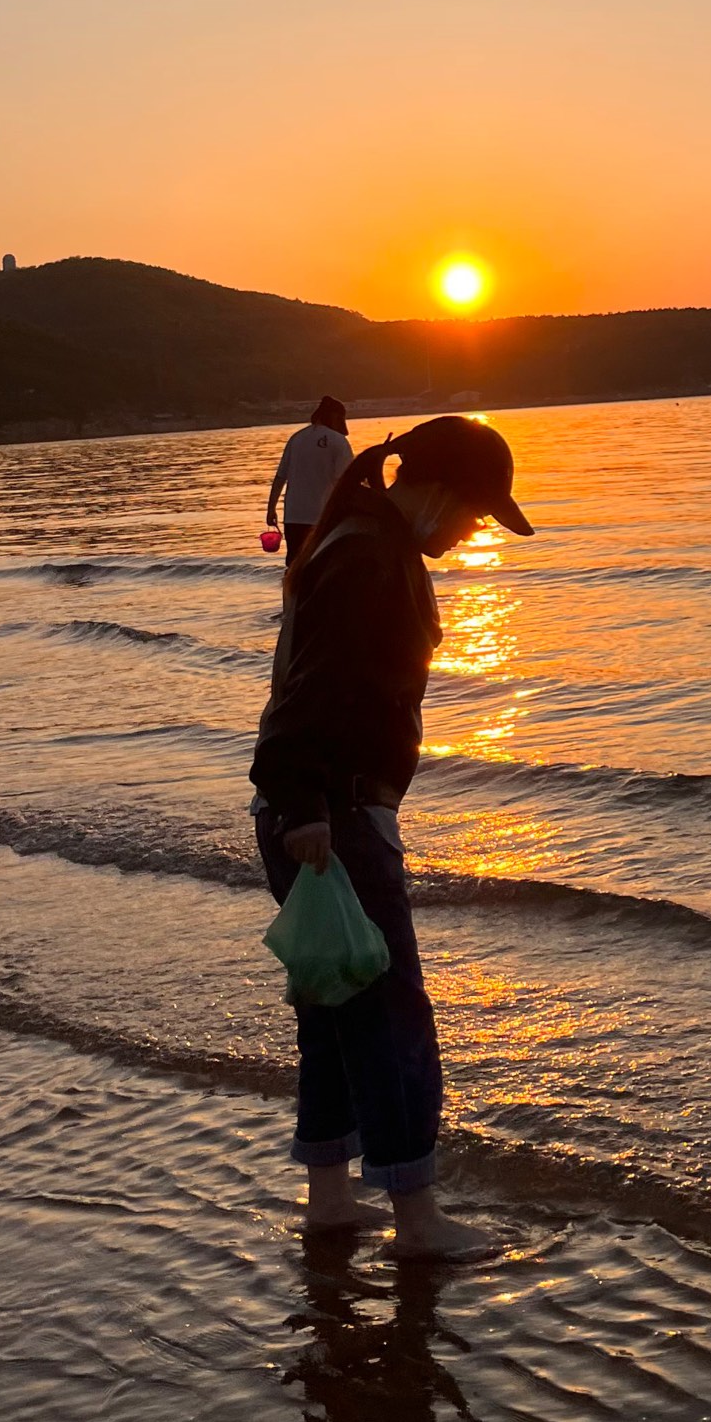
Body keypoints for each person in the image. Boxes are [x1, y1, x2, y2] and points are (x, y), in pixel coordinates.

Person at [250, 414, 535, 1253]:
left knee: (334, 1005)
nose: (475, 531)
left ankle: (332, 1198)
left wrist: (296, 804)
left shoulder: (354, 536)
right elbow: (312, 691)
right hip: (329, 815)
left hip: (308, 809)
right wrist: (307, 808)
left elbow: (306, 684)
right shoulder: (373, 556)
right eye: (478, 513)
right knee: (391, 1014)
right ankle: (417, 1220)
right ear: (441, 491)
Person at [265, 397, 353, 562]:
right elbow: (346, 481)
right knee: (325, 563)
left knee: (295, 565)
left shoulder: (296, 438)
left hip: (293, 516)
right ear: (337, 417)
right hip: (323, 518)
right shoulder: (338, 441)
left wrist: (271, 509)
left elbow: (280, 478)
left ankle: (293, 588)